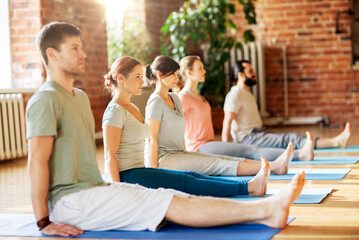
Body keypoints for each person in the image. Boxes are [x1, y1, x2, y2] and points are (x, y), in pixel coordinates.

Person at [26, 22, 305, 237]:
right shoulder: (45, 99)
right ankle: (267, 209)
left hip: (95, 188)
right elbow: (37, 162)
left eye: (81, 46)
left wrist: (112, 187)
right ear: (52, 54)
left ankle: (263, 206)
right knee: (168, 202)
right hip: (70, 201)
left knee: (175, 195)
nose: (83, 53)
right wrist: (43, 221)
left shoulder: (80, 96)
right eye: (74, 48)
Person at [102, 56, 274, 197]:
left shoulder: (133, 107)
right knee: (187, 182)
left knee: (192, 176)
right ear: (120, 78)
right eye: (137, 77)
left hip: (143, 169)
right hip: (130, 175)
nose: (142, 81)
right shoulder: (115, 111)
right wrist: (119, 193)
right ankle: (248, 187)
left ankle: (249, 185)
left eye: (141, 75)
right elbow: (110, 156)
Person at [145, 55, 294, 177]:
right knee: (223, 161)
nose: (176, 79)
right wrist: (155, 171)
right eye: (173, 75)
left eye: (177, 75)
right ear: (160, 75)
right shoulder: (166, 100)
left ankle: (273, 166)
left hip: (191, 149)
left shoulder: (177, 98)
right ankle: (276, 165)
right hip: (182, 152)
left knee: (226, 158)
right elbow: (153, 137)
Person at [178, 56, 314, 161]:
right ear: (189, 73)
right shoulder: (183, 97)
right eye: (200, 68)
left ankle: (291, 158)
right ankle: (301, 155)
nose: (204, 71)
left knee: (251, 152)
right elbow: (172, 124)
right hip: (198, 148)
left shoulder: (199, 97)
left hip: (209, 144)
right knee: (253, 151)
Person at [222, 60, 351, 150]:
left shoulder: (246, 93)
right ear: (241, 74)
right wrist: (227, 151)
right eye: (250, 71)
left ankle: (335, 141)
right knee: (290, 139)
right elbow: (227, 123)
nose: (254, 74)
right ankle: (337, 142)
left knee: (289, 137)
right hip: (248, 138)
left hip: (257, 134)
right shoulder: (235, 95)